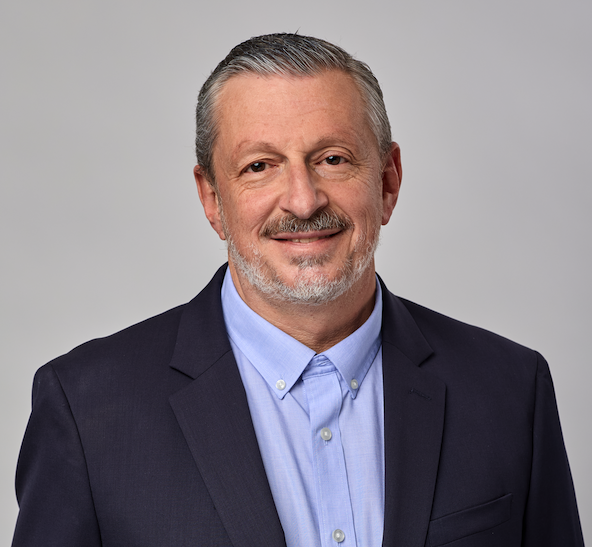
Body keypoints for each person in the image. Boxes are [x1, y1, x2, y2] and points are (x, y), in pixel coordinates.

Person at [12, 33, 584, 547]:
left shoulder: (511, 390)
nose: (304, 201)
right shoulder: (87, 412)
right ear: (212, 199)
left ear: (388, 181)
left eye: (333, 159)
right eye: (260, 166)